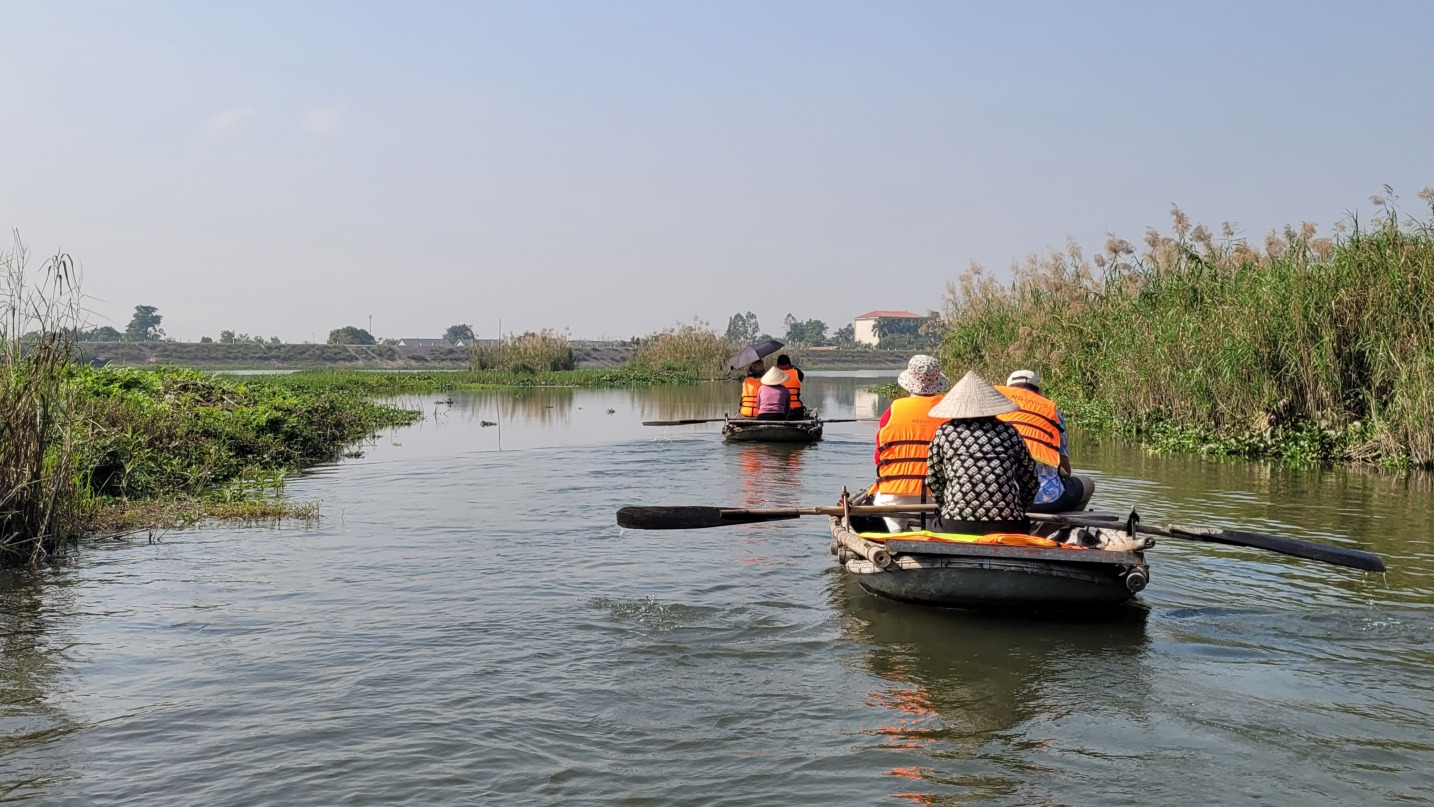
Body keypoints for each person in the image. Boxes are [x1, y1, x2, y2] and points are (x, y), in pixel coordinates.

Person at [924, 370, 1039, 535]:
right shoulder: (1009, 432)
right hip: (1007, 524)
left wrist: (948, 506)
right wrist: (1019, 508)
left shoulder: (945, 432)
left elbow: (934, 480)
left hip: (956, 522)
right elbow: (1030, 480)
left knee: (934, 527)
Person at [995, 369, 1094, 513]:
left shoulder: (995, 410)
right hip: (1045, 500)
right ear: (1038, 392)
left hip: (1001, 499)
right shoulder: (1053, 414)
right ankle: (1057, 525)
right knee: (1088, 484)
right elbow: (1064, 465)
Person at [872, 355, 950, 532]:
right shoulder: (950, 409)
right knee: (936, 518)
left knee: (886, 511)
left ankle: (896, 534)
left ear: (909, 384)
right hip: (939, 495)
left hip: (894, 492)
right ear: (937, 383)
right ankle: (932, 535)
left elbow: (878, 457)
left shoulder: (893, 410)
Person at [774, 354, 806, 418]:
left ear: (777, 365)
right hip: (796, 411)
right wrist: (792, 366)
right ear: (789, 364)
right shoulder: (798, 373)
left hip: (780, 411)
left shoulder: (774, 375)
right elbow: (800, 373)